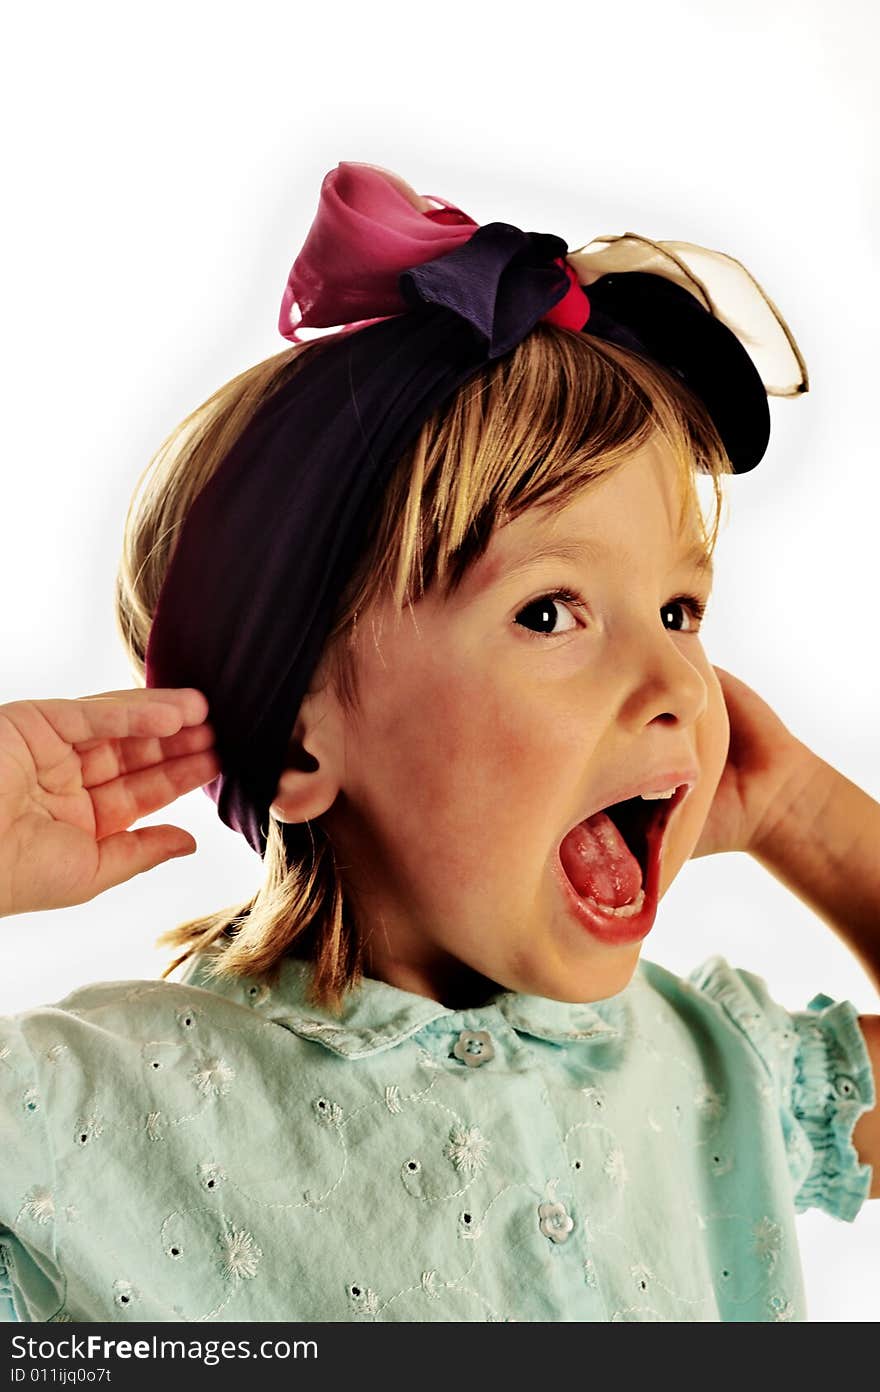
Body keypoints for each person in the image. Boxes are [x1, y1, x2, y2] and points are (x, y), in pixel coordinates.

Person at [0, 162, 877, 1324]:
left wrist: (799, 810)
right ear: (296, 737)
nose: (676, 680)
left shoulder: (719, 1071)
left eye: (679, 612)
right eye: (551, 611)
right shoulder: (72, 1121)